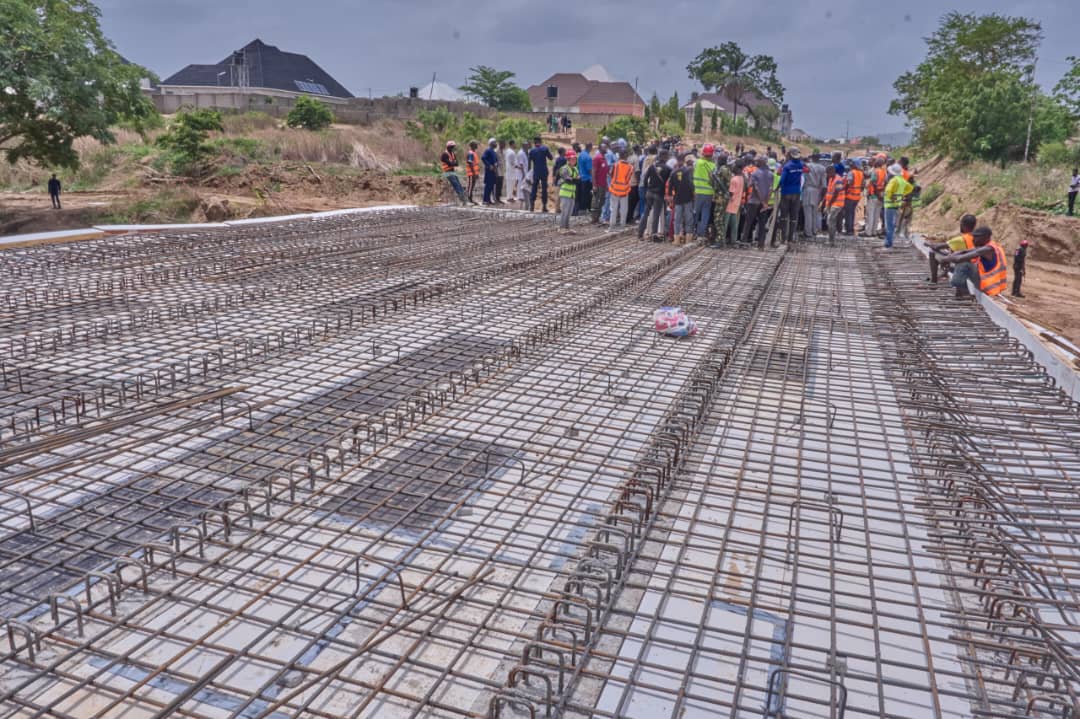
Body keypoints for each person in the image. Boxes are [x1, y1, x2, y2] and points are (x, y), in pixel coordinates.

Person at [940, 225, 1008, 299]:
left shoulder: (987, 249)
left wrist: (944, 259)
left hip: (987, 287)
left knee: (964, 264)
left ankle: (964, 294)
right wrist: (949, 257)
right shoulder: (989, 245)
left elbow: (960, 258)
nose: (973, 239)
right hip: (987, 284)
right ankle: (962, 292)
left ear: (985, 237)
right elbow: (963, 251)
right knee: (960, 264)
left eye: (976, 237)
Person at [925, 214, 976, 284]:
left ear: (963, 225)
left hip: (964, 267)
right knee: (950, 252)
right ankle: (944, 273)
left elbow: (936, 247)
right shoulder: (977, 237)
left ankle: (934, 280)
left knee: (932, 251)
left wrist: (928, 243)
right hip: (975, 267)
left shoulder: (960, 239)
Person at [638, 150, 671, 241]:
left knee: (646, 213)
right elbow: (669, 182)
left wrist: (647, 189)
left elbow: (645, 179)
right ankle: (654, 235)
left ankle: (640, 232)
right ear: (665, 156)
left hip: (649, 192)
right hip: (659, 194)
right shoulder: (668, 169)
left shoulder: (652, 166)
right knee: (656, 215)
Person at [743, 158, 773, 249]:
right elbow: (770, 189)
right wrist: (765, 202)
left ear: (759, 163)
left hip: (754, 201)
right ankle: (761, 244)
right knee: (762, 223)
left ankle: (744, 242)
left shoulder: (755, 173)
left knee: (748, 222)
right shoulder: (771, 174)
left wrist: (762, 201)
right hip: (764, 203)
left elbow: (754, 187)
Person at [778, 149, 804, 245]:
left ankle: (783, 238)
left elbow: (782, 180)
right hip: (797, 192)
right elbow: (807, 169)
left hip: (786, 192)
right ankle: (790, 238)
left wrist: (777, 187)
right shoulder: (801, 165)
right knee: (793, 217)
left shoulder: (787, 166)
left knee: (784, 216)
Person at [692, 144, 717, 242]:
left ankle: (691, 231)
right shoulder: (713, 166)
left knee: (695, 212)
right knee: (705, 213)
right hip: (709, 193)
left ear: (703, 153)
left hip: (698, 192)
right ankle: (701, 234)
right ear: (712, 154)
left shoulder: (697, 162)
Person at [882, 164, 911, 249]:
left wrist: (891, 197)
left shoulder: (894, 180)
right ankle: (890, 240)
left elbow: (888, 191)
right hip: (897, 205)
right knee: (893, 224)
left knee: (889, 225)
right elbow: (910, 188)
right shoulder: (902, 180)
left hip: (889, 205)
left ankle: (888, 243)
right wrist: (901, 194)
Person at [670, 154, 696, 244]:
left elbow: (670, 187)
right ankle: (688, 238)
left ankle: (676, 239)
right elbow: (691, 185)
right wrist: (694, 194)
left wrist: (670, 197)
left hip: (678, 199)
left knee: (677, 219)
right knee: (688, 218)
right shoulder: (688, 172)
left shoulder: (673, 172)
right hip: (688, 198)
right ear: (684, 161)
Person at [608, 150, 635, 229]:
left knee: (614, 208)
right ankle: (622, 224)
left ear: (619, 156)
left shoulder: (615, 165)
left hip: (614, 189)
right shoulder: (630, 167)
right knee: (624, 208)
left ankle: (612, 225)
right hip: (624, 190)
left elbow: (610, 174)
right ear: (627, 157)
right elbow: (628, 178)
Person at [801, 155, 826, 238]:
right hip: (817, 191)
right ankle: (814, 230)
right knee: (815, 212)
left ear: (812, 158)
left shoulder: (807, 166)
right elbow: (824, 185)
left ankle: (808, 232)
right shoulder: (822, 168)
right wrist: (822, 197)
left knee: (808, 212)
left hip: (808, 189)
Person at [821, 165, 846, 244]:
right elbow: (829, 192)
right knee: (830, 222)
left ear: (832, 171)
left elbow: (836, 194)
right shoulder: (831, 179)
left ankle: (831, 240)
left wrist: (829, 204)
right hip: (832, 204)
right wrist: (824, 202)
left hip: (837, 204)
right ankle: (831, 239)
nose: (827, 175)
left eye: (828, 173)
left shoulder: (838, 180)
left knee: (831, 221)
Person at [723, 159, 745, 247]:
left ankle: (722, 240)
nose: (732, 167)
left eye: (734, 166)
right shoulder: (742, 178)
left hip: (729, 204)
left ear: (737, 168)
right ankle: (733, 241)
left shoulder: (734, 179)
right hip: (736, 204)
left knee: (725, 224)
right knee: (734, 225)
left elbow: (731, 193)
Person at [528, 136, 553, 212]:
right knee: (544, 189)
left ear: (534, 142)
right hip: (544, 172)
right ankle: (544, 206)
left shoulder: (532, 151)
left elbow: (529, 162)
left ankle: (532, 206)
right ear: (540, 141)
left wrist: (528, 172)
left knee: (534, 188)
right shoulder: (545, 148)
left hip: (536, 172)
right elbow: (551, 158)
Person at [557, 149, 579, 232]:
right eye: (572, 159)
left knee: (569, 212)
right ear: (568, 159)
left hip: (572, 194)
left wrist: (574, 179)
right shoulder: (564, 168)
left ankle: (567, 227)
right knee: (565, 211)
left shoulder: (575, 169)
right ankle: (562, 228)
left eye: (575, 159)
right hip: (565, 193)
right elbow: (568, 180)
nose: (574, 160)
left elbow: (577, 180)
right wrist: (574, 179)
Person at [439, 142, 468, 206]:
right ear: (448, 147)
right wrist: (453, 163)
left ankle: (464, 199)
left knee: (459, 185)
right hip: (447, 172)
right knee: (456, 185)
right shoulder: (444, 154)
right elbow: (450, 164)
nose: (452, 148)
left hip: (452, 171)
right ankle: (463, 200)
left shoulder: (452, 154)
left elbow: (457, 164)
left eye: (453, 147)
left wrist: (453, 163)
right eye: (451, 147)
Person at [863, 158, 887, 237]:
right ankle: (874, 232)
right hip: (881, 195)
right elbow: (885, 183)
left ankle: (868, 232)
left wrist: (876, 193)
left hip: (873, 195)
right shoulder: (884, 172)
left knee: (870, 214)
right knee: (876, 215)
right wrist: (881, 194)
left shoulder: (875, 171)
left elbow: (873, 182)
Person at [843, 160, 863, 235]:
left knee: (848, 213)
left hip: (850, 195)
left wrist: (845, 188)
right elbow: (862, 185)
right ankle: (851, 229)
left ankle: (849, 230)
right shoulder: (861, 173)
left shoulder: (851, 172)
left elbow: (849, 182)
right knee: (852, 212)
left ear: (853, 165)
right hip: (857, 196)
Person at [591, 145, 609, 224]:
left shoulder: (604, 159)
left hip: (603, 184)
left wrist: (606, 185)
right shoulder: (597, 158)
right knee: (596, 201)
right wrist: (594, 185)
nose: (606, 148)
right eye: (604, 147)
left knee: (602, 201)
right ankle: (594, 218)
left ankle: (597, 218)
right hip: (598, 184)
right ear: (600, 149)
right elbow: (593, 172)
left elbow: (605, 173)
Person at [576, 143, 593, 214]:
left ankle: (580, 209)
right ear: (590, 147)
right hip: (587, 179)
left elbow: (578, 166)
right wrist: (594, 178)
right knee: (587, 195)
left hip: (580, 177)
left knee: (581, 194)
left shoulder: (580, 155)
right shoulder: (588, 157)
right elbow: (590, 170)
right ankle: (585, 209)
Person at [552, 147, 568, 213]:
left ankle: (557, 208)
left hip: (557, 179)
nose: (565, 152)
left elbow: (554, 168)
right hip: (561, 179)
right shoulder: (563, 159)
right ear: (562, 152)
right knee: (562, 195)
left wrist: (554, 178)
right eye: (565, 151)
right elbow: (559, 169)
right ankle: (559, 209)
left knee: (558, 194)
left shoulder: (557, 159)